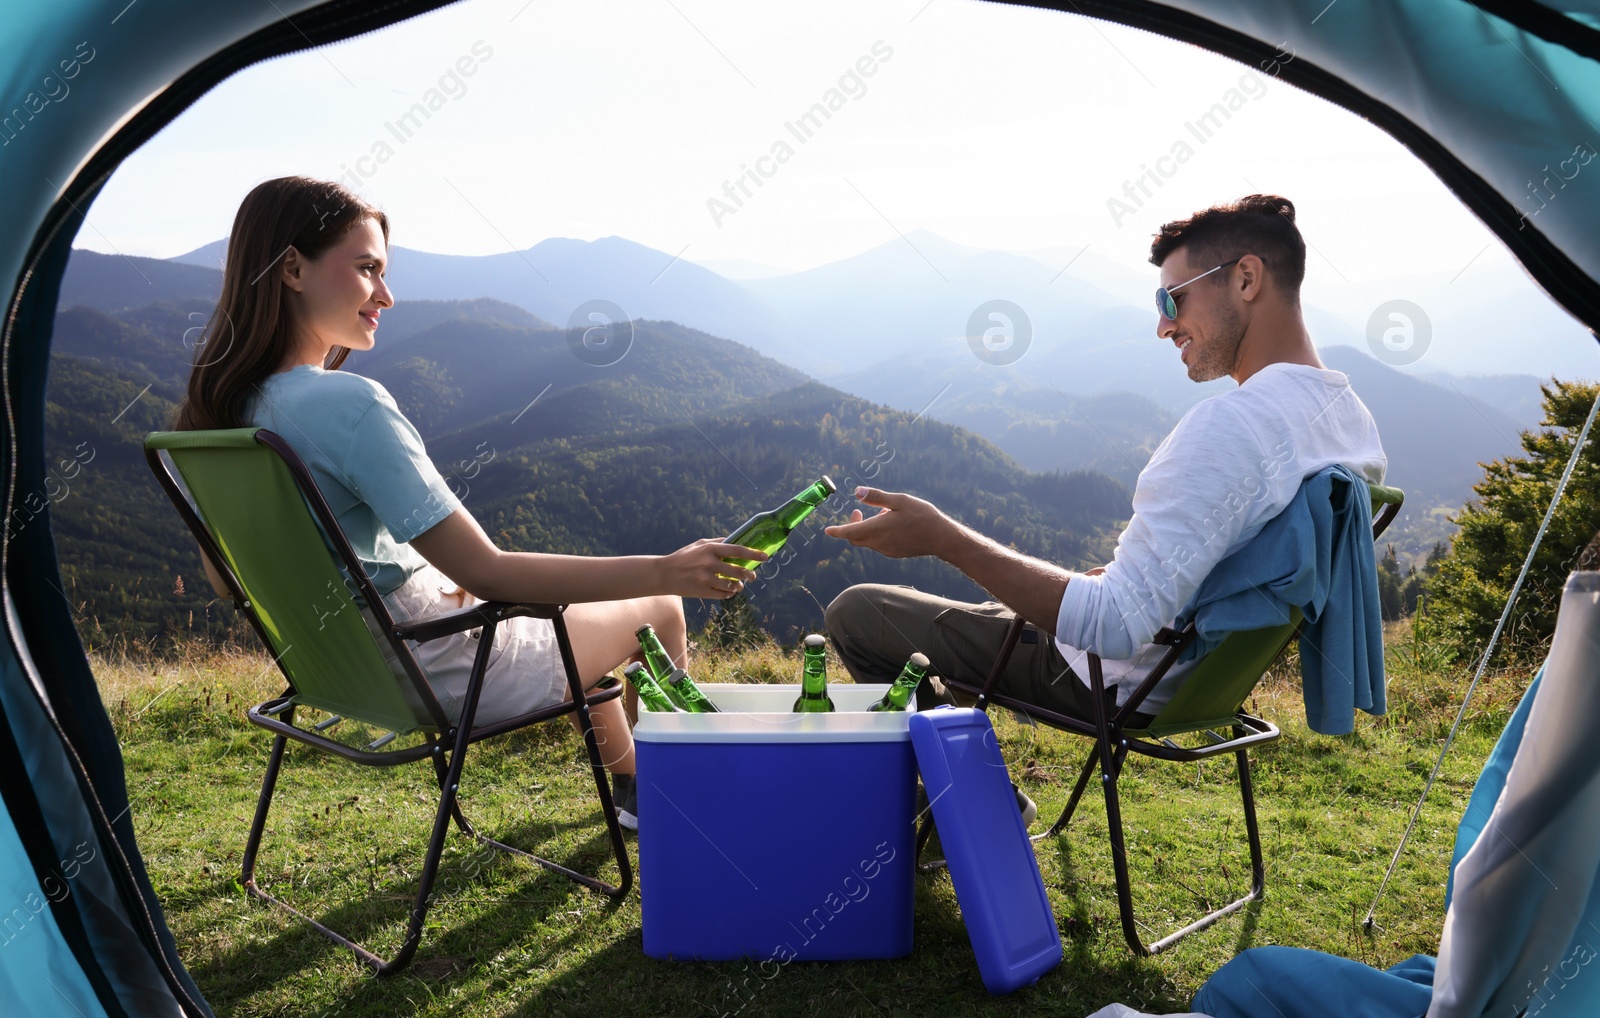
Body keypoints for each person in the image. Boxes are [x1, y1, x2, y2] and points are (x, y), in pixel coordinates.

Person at [176, 176, 766, 831]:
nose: (386, 294)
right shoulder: (348, 406)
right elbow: (485, 570)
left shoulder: (218, 418)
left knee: (584, 607)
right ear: (292, 268)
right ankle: (665, 798)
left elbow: (225, 580)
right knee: (658, 607)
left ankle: (630, 784)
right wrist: (666, 568)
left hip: (345, 671)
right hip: (443, 668)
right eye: (367, 268)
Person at [823, 195, 1387, 820]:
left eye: (1173, 299)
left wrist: (941, 537)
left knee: (858, 613)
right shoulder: (1347, 420)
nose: (1164, 325)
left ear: (1246, 278)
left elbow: (1114, 627)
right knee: (984, 613)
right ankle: (974, 781)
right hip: (1200, 678)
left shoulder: (1232, 429)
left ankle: (977, 809)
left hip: (1118, 680)